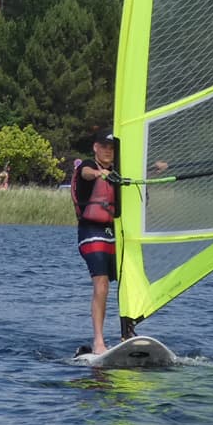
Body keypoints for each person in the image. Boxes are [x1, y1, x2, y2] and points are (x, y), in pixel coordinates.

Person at [72, 129, 126, 356]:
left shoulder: (119, 171)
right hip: (91, 232)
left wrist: (155, 167)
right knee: (102, 284)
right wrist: (97, 174)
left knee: (129, 282)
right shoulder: (87, 165)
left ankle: (127, 335)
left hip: (116, 234)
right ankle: (99, 341)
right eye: (104, 146)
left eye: (112, 148)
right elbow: (84, 172)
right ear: (95, 147)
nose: (107, 151)